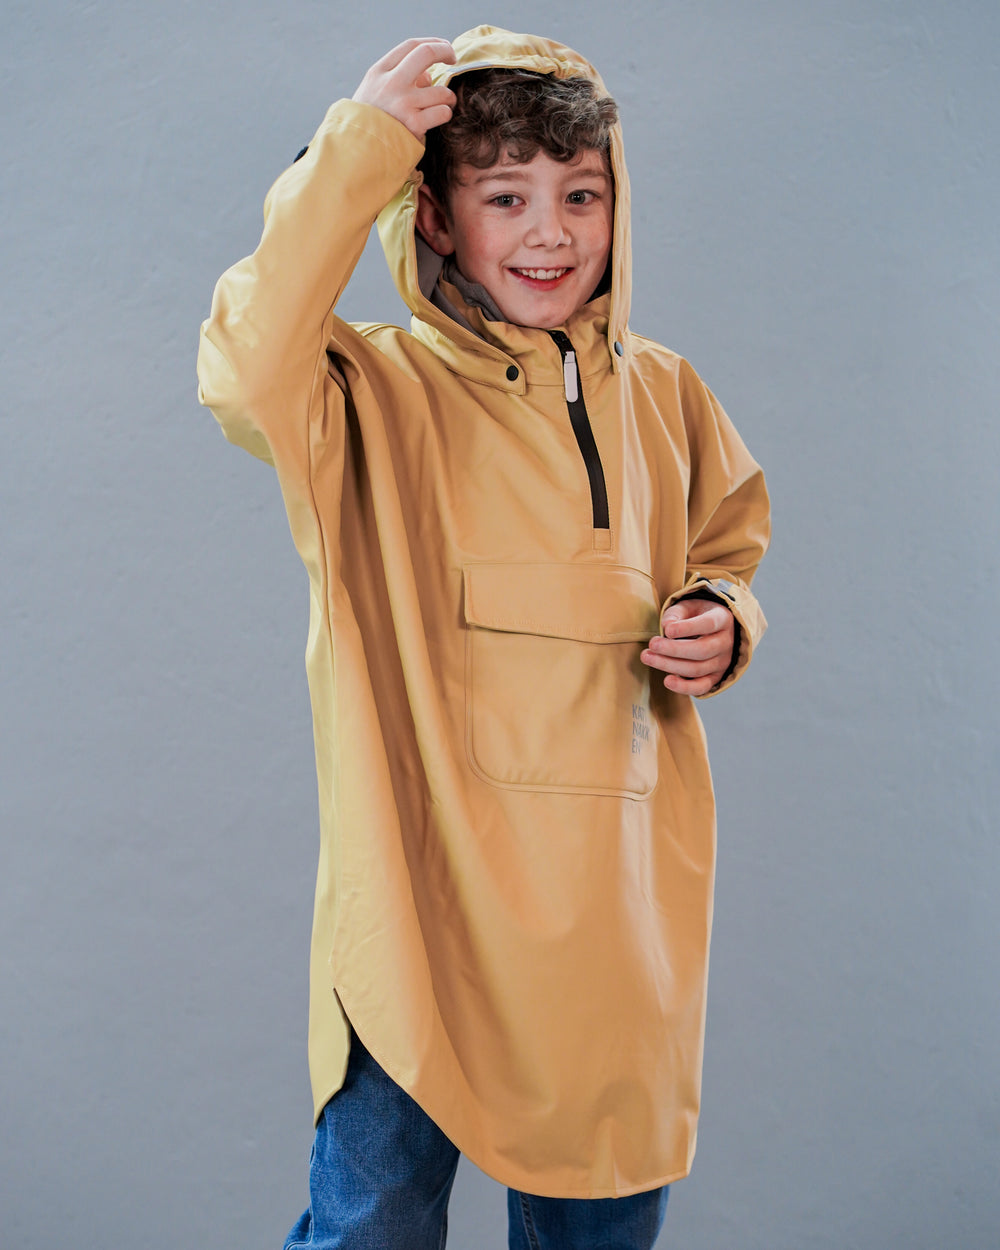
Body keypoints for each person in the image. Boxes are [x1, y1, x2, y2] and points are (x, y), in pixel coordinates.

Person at [197, 25, 770, 1250]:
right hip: (416, 912)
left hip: (606, 915)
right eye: (505, 197)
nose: (550, 232)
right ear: (435, 219)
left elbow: (727, 541)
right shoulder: (362, 394)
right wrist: (356, 149)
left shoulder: (664, 394)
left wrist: (723, 619)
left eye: (581, 195)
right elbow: (243, 369)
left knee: (595, 1230)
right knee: (372, 1226)